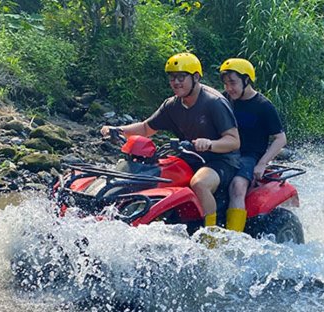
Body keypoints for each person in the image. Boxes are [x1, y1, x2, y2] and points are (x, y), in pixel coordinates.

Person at [100, 52, 240, 228]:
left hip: (221, 160)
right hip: (188, 156)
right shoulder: (172, 104)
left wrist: (210, 144)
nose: (176, 82)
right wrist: (117, 130)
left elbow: (234, 141)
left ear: (196, 77)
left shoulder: (214, 102)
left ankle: (211, 235)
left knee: (200, 183)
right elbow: (146, 128)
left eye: (181, 77)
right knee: (150, 172)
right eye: (172, 78)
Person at [219, 58, 286, 232]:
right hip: (223, 150)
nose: (228, 88)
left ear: (246, 80)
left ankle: (234, 238)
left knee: (237, 186)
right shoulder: (224, 99)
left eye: (232, 83)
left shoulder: (264, 106)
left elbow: (280, 138)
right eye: (226, 84)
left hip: (249, 156)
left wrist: (262, 163)